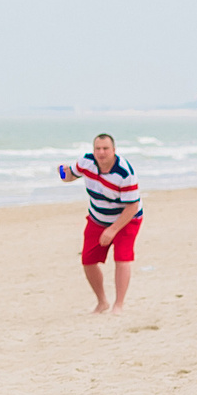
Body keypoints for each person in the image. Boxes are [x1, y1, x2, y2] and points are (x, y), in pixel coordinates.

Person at [59, 131, 142, 313]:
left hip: (127, 218)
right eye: (98, 148)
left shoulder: (125, 172)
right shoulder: (86, 161)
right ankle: (102, 301)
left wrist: (113, 230)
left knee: (122, 258)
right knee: (88, 260)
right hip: (98, 217)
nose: (101, 152)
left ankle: (118, 305)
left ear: (114, 150)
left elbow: (132, 207)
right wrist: (65, 175)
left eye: (105, 148)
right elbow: (72, 175)